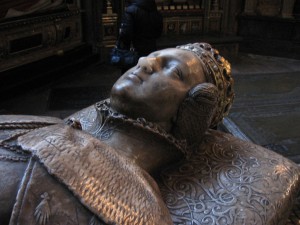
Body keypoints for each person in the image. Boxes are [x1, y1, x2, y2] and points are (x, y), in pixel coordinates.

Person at [0, 43, 299, 225]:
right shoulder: (43, 126)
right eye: (153, 56)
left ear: (194, 108)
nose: (144, 62)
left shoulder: (128, 208)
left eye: (173, 71)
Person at [118, 0, 163, 73]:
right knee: (148, 75)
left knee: (131, 76)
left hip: (134, 51)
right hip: (151, 50)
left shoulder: (130, 11)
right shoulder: (155, 11)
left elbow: (126, 34)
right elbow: (158, 33)